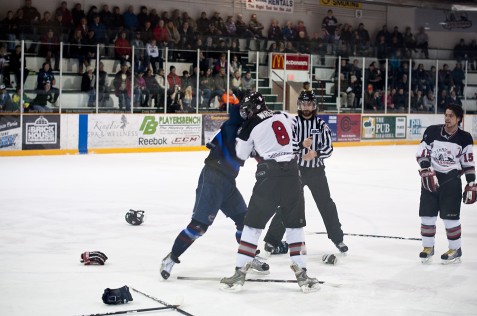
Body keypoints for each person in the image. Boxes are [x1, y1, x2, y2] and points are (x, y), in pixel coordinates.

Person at [220, 92, 319, 294]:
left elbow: (240, 155)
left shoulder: (249, 127)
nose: (246, 113)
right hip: (293, 175)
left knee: (252, 227)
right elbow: (293, 137)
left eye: (248, 109)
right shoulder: (282, 115)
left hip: (269, 178)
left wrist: (255, 147)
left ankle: (239, 273)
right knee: (294, 227)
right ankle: (303, 275)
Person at [160, 102, 268, 279]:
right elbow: (237, 128)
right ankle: (171, 258)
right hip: (212, 179)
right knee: (198, 227)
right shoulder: (234, 125)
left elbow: (256, 152)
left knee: (244, 220)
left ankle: (248, 257)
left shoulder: (249, 129)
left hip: (228, 181)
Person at [262, 91, 348, 256]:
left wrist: (315, 153)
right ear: (299, 105)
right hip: (296, 171)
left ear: (314, 106)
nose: (306, 107)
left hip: (317, 171)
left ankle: (338, 239)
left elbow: (329, 148)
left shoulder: (321, 125)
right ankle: (271, 241)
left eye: (309, 104)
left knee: (326, 205)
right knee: (287, 204)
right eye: (303, 104)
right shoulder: (293, 124)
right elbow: (287, 145)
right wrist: (302, 147)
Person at [416, 104, 475, 264]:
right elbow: (422, 151)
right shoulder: (432, 131)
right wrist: (426, 168)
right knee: (427, 215)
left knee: (451, 218)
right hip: (431, 179)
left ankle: (455, 249)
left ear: (458, 119)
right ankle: (428, 247)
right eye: (446, 115)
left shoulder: (465, 137)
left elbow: (468, 162)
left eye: (451, 116)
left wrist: (471, 182)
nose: (447, 118)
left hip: (451, 181)